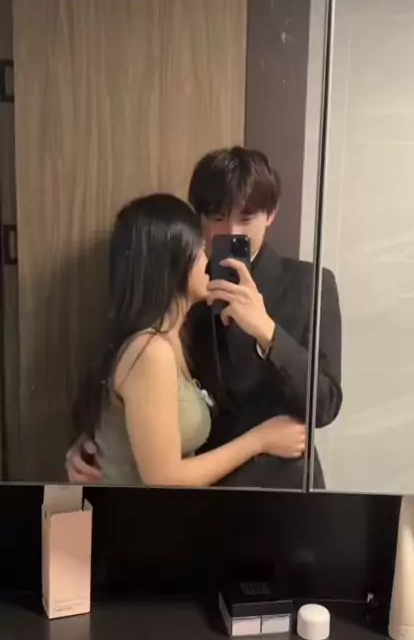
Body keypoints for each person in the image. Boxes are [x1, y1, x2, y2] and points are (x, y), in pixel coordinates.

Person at [67, 147, 342, 488]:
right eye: (217, 218)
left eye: (246, 219)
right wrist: (93, 444)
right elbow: (131, 384)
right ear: (199, 218)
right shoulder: (182, 285)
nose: (231, 232)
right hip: (201, 490)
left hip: (283, 484)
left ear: (271, 215)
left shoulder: (309, 285)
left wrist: (268, 333)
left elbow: (326, 405)